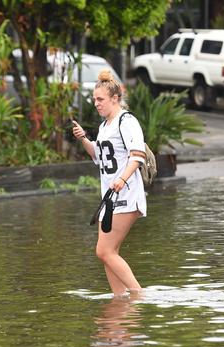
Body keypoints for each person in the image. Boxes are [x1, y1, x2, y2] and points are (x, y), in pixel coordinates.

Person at [72, 70, 147, 297]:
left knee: (104, 251)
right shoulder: (105, 126)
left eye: (100, 99)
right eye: (95, 99)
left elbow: (138, 155)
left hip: (126, 194)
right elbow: (99, 156)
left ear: (115, 98)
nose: (96, 104)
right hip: (110, 198)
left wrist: (122, 180)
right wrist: (84, 139)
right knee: (109, 252)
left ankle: (138, 295)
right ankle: (119, 301)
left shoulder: (126, 121)